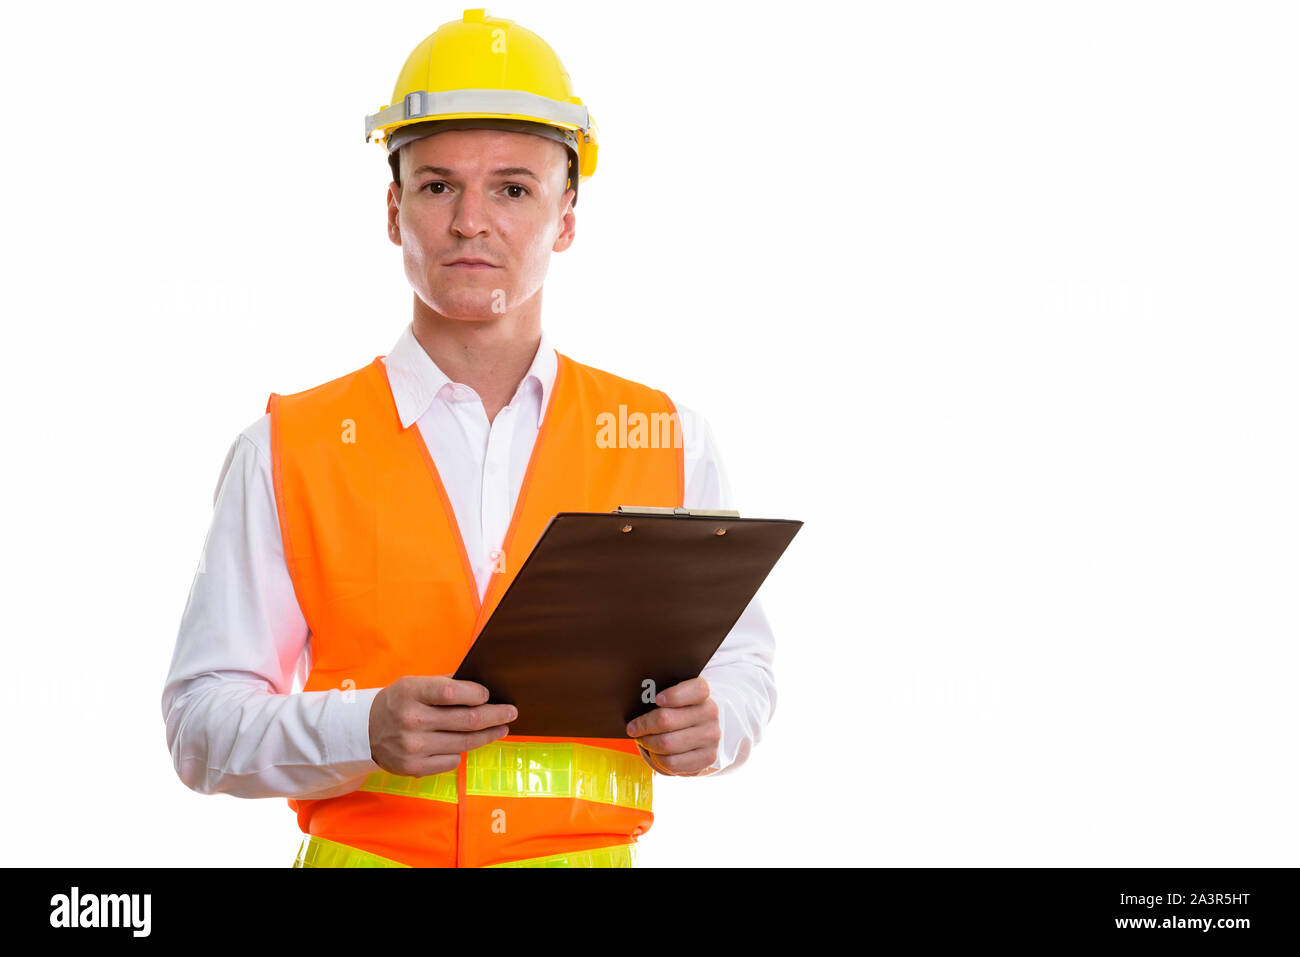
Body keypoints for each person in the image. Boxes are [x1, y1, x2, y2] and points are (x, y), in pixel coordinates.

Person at [161, 8, 778, 868]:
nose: (469, 221)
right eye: (439, 184)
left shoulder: (664, 438)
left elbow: (745, 671)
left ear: (566, 216)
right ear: (394, 208)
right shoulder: (286, 448)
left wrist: (715, 723)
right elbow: (197, 725)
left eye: (513, 188)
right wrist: (361, 727)